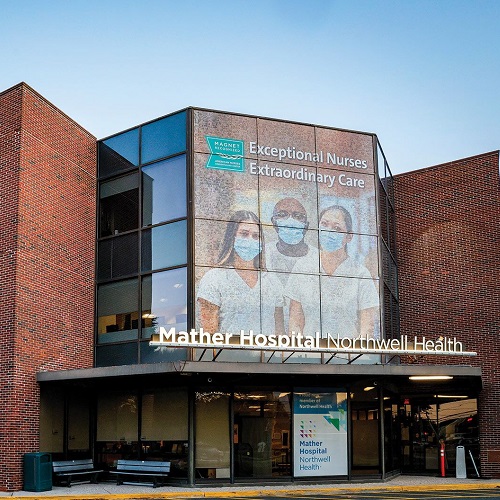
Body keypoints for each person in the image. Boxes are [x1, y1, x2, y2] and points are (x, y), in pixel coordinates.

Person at [287, 205, 379, 339]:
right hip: (308, 350)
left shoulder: (360, 274)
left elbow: (367, 327)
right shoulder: (302, 267)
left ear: (349, 237)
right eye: (324, 224)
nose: (329, 231)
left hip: (348, 350)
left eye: (337, 228)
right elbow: (295, 321)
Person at [197, 210, 285, 337]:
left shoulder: (272, 281)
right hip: (228, 349)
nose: (250, 240)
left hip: (266, 350)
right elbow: (208, 333)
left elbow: (279, 333)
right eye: (244, 234)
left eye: (256, 236)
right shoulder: (214, 278)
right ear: (232, 238)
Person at [266, 197, 319, 284]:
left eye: (298, 216)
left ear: (306, 226)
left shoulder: (319, 259)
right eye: (282, 215)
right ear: (274, 223)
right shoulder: (263, 254)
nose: (290, 221)